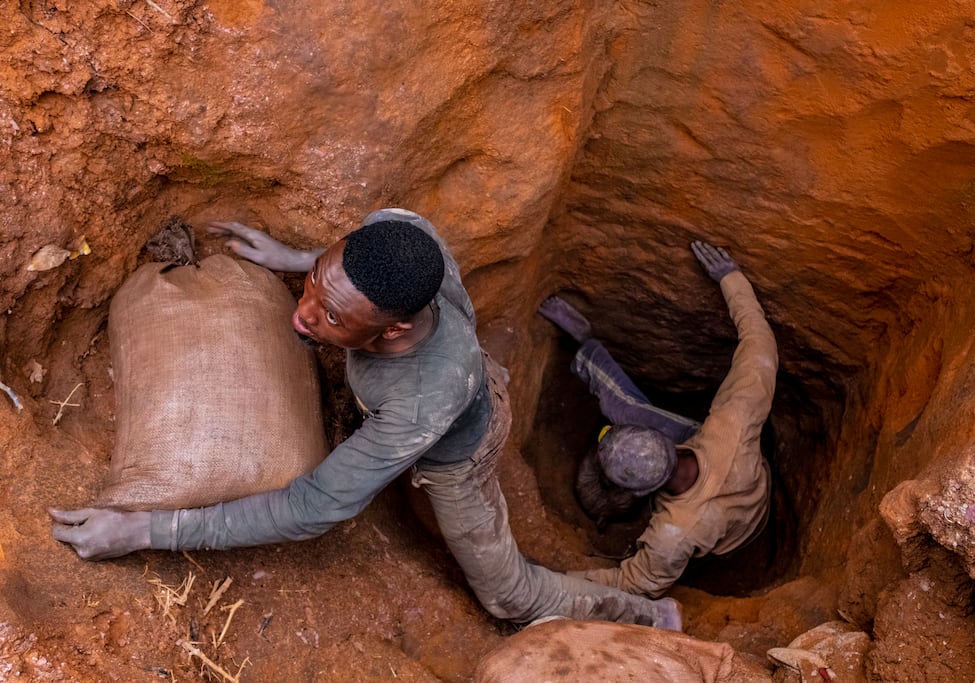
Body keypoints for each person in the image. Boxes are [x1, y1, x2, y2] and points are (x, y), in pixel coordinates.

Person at [49, 208, 682, 630]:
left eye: (330, 317)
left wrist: (146, 532)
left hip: (457, 452)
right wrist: (298, 259)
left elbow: (314, 506)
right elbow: (351, 259)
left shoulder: (418, 402)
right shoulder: (402, 233)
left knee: (510, 596)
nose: (303, 316)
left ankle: (650, 615)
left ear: (396, 327)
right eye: (315, 288)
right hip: (461, 379)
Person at [539, 241, 777, 598]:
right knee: (630, 410)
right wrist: (731, 278)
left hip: (732, 542)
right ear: (666, 441)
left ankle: (589, 352)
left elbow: (632, 583)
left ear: (637, 494)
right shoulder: (734, 421)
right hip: (731, 463)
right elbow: (760, 348)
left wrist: (550, 580)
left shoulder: (672, 534)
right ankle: (588, 348)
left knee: (630, 411)